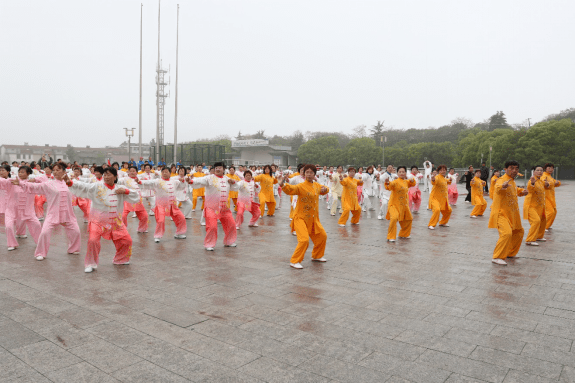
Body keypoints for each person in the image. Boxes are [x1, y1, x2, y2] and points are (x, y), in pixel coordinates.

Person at [65, 167, 139, 273]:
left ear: (115, 176)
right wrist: (70, 182)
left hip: (115, 221)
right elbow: (84, 186)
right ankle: (90, 263)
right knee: (92, 240)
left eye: (109, 174)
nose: (106, 176)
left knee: (127, 240)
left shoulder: (120, 188)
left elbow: (136, 196)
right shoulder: (97, 186)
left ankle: (120, 259)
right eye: (105, 174)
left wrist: (126, 191)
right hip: (98, 220)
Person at [13, 162, 81, 261]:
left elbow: (82, 187)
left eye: (58, 170)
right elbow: (35, 187)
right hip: (53, 214)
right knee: (44, 233)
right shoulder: (49, 184)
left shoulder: (70, 183)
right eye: (54, 170)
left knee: (76, 231)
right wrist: (21, 183)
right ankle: (40, 253)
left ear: (64, 171)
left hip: (68, 214)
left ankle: (73, 249)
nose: (55, 172)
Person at [279, 164, 329, 269]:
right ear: (304, 173)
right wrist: (283, 185)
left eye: (311, 172)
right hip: (300, 217)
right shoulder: (301, 186)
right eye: (307, 172)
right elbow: (291, 189)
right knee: (304, 240)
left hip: (313, 219)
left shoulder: (316, 185)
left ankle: (317, 255)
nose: (309, 174)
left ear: (314, 174)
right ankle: (294, 261)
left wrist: (325, 190)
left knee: (322, 236)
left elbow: (324, 189)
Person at [189, 162, 239, 251]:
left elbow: (236, 187)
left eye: (220, 167)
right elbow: (199, 180)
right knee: (212, 227)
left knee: (231, 224)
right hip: (211, 207)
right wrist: (191, 180)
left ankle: (229, 241)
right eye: (216, 168)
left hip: (224, 208)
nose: (218, 169)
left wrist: (233, 182)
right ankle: (209, 244)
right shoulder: (210, 178)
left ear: (224, 169)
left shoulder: (227, 179)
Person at [489, 160, 528, 266]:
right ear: (505, 169)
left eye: (516, 168)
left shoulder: (512, 181)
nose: (514, 170)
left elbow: (513, 190)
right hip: (500, 213)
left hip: (512, 213)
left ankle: (510, 253)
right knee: (506, 233)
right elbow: (499, 187)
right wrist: (503, 186)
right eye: (511, 168)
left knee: (519, 231)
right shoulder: (501, 180)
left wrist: (521, 192)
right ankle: (497, 256)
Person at [140, 166, 188, 243]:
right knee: (161, 220)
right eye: (163, 172)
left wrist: (183, 181)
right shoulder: (158, 181)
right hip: (161, 205)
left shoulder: (174, 181)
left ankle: (179, 233)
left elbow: (181, 187)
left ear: (170, 173)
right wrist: (140, 182)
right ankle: (157, 236)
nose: (164, 173)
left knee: (181, 218)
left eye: (166, 172)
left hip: (173, 205)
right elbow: (148, 183)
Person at [385, 166, 417, 242]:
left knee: (409, 219)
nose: (402, 173)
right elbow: (389, 186)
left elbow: (413, 183)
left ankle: (404, 234)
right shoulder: (395, 181)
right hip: (394, 204)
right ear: (397, 173)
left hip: (404, 205)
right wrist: (387, 182)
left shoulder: (406, 182)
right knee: (394, 218)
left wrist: (412, 180)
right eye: (400, 172)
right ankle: (391, 236)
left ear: (405, 173)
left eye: (403, 172)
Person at [118, 165, 149, 233]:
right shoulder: (124, 179)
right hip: (127, 201)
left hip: (138, 201)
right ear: (128, 172)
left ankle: (142, 229)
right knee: (123, 216)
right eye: (130, 171)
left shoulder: (140, 180)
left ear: (136, 172)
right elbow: (117, 181)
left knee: (144, 216)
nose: (132, 172)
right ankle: (123, 229)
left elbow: (148, 182)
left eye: (134, 171)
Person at [524, 166, 549, 246]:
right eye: (537, 170)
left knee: (543, 220)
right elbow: (530, 188)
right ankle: (529, 240)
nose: (539, 172)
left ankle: (539, 236)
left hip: (539, 206)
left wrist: (547, 184)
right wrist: (532, 183)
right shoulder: (532, 180)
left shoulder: (541, 181)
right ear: (534, 172)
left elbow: (546, 187)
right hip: (531, 206)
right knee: (536, 221)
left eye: (541, 170)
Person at [428, 165, 452, 229]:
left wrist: (450, 180)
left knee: (449, 210)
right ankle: (431, 224)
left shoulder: (444, 178)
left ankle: (443, 222)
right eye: (441, 170)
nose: (443, 171)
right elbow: (434, 181)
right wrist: (433, 179)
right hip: (434, 198)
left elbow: (447, 181)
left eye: (444, 170)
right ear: (438, 171)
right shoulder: (437, 177)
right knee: (437, 210)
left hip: (442, 199)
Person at [540, 163, 561, 231]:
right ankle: (543, 227)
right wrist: (551, 183)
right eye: (549, 168)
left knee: (554, 211)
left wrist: (557, 183)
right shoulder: (544, 175)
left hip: (551, 197)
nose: (550, 169)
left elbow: (556, 183)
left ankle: (547, 225)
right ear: (545, 169)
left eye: (552, 168)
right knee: (550, 212)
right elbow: (544, 183)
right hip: (545, 197)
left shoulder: (550, 176)